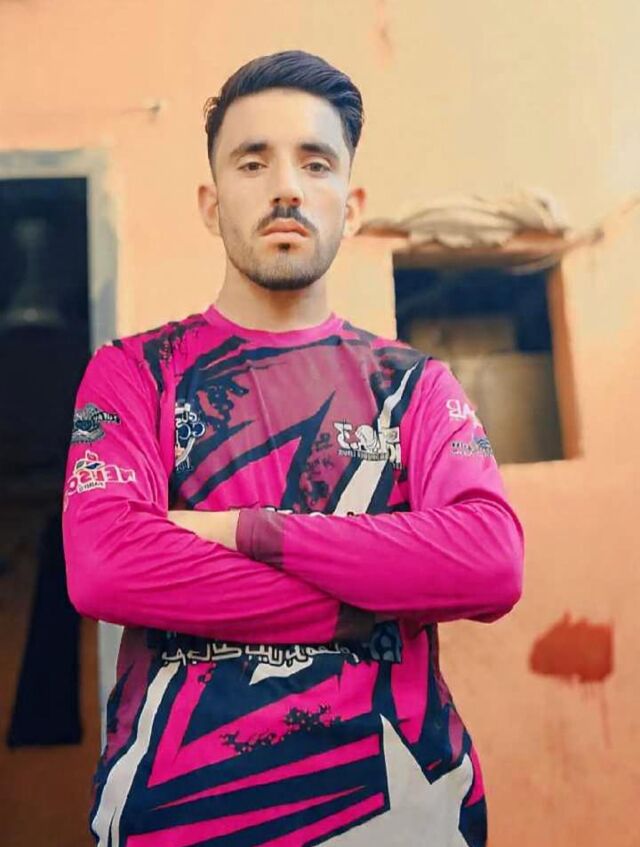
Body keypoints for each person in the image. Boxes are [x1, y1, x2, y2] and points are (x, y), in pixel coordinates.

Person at [62, 49, 524, 847]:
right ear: (211, 204)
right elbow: (107, 564)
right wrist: (375, 602)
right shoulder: (135, 372)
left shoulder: (415, 387)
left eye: (316, 162)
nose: (286, 187)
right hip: (175, 823)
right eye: (253, 161)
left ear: (352, 203)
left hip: (405, 817)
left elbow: (489, 560)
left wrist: (247, 530)